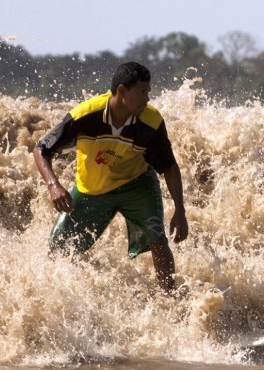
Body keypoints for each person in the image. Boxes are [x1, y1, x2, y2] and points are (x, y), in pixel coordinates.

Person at [33, 61, 188, 295]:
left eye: (149, 92)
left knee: (157, 239)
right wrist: (53, 185)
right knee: (58, 248)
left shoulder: (151, 122)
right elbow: (41, 149)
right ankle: (62, 298)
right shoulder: (86, 115)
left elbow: (169, 166)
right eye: (142, 92)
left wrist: (180, 210)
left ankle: (171, 299)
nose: (147, 98)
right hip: (92, 191)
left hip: (136, 185)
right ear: (123, 91)